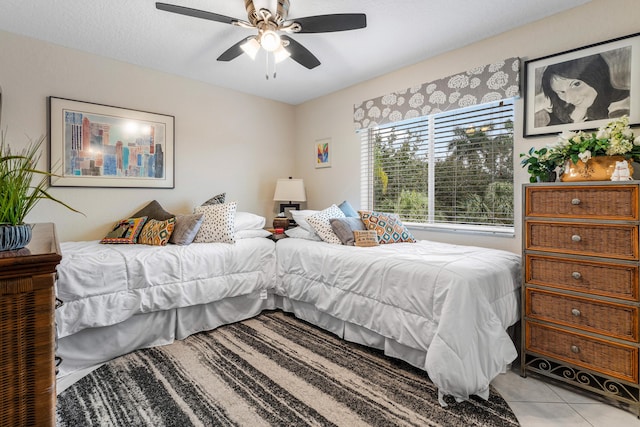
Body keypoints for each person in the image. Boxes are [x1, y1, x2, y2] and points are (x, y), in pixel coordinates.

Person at [536, 54, 630, 126]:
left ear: (596, 77)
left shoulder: (622, 104)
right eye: (561, 92)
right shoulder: (561, 108)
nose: (569, 99)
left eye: (576, 84)